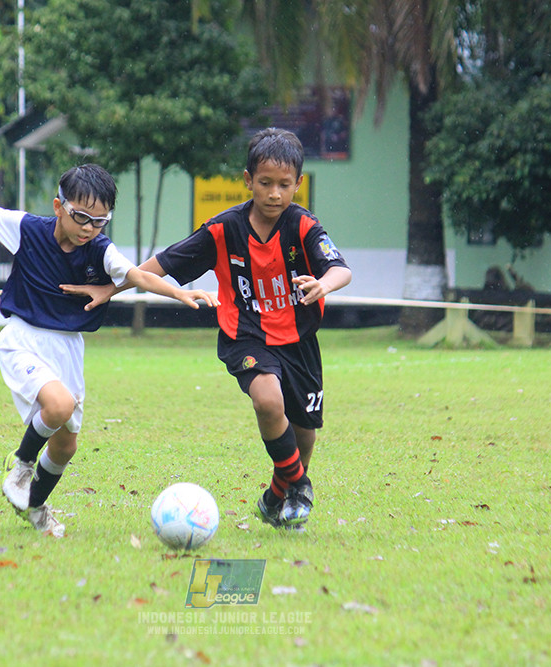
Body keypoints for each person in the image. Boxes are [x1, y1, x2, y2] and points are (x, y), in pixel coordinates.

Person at [0, 164, 218, 538]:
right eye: (81, 217)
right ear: (58, 206)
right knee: (59, 405)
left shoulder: (100, 250)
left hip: (68, 348)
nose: (89, 228)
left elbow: (137, 275)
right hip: (22, 339)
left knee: (65, 446)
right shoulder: (27, 229)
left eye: (100, 221)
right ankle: (21, 463)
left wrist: (179, 292)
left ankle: (34, 506)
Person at [68, 129, 351, 530]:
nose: (274, 194)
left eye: (284, 185)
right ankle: (300, 488)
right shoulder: (223, 229)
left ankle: (277, 495)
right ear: (248, 180)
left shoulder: (303, 226)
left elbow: (340, 268)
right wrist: (110, 288)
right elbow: (161, 265)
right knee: (269, 402)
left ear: (298, 184)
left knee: (304, 436)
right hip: (246, 336)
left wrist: (325, 283)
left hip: (299, 341)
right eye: (265, 183)